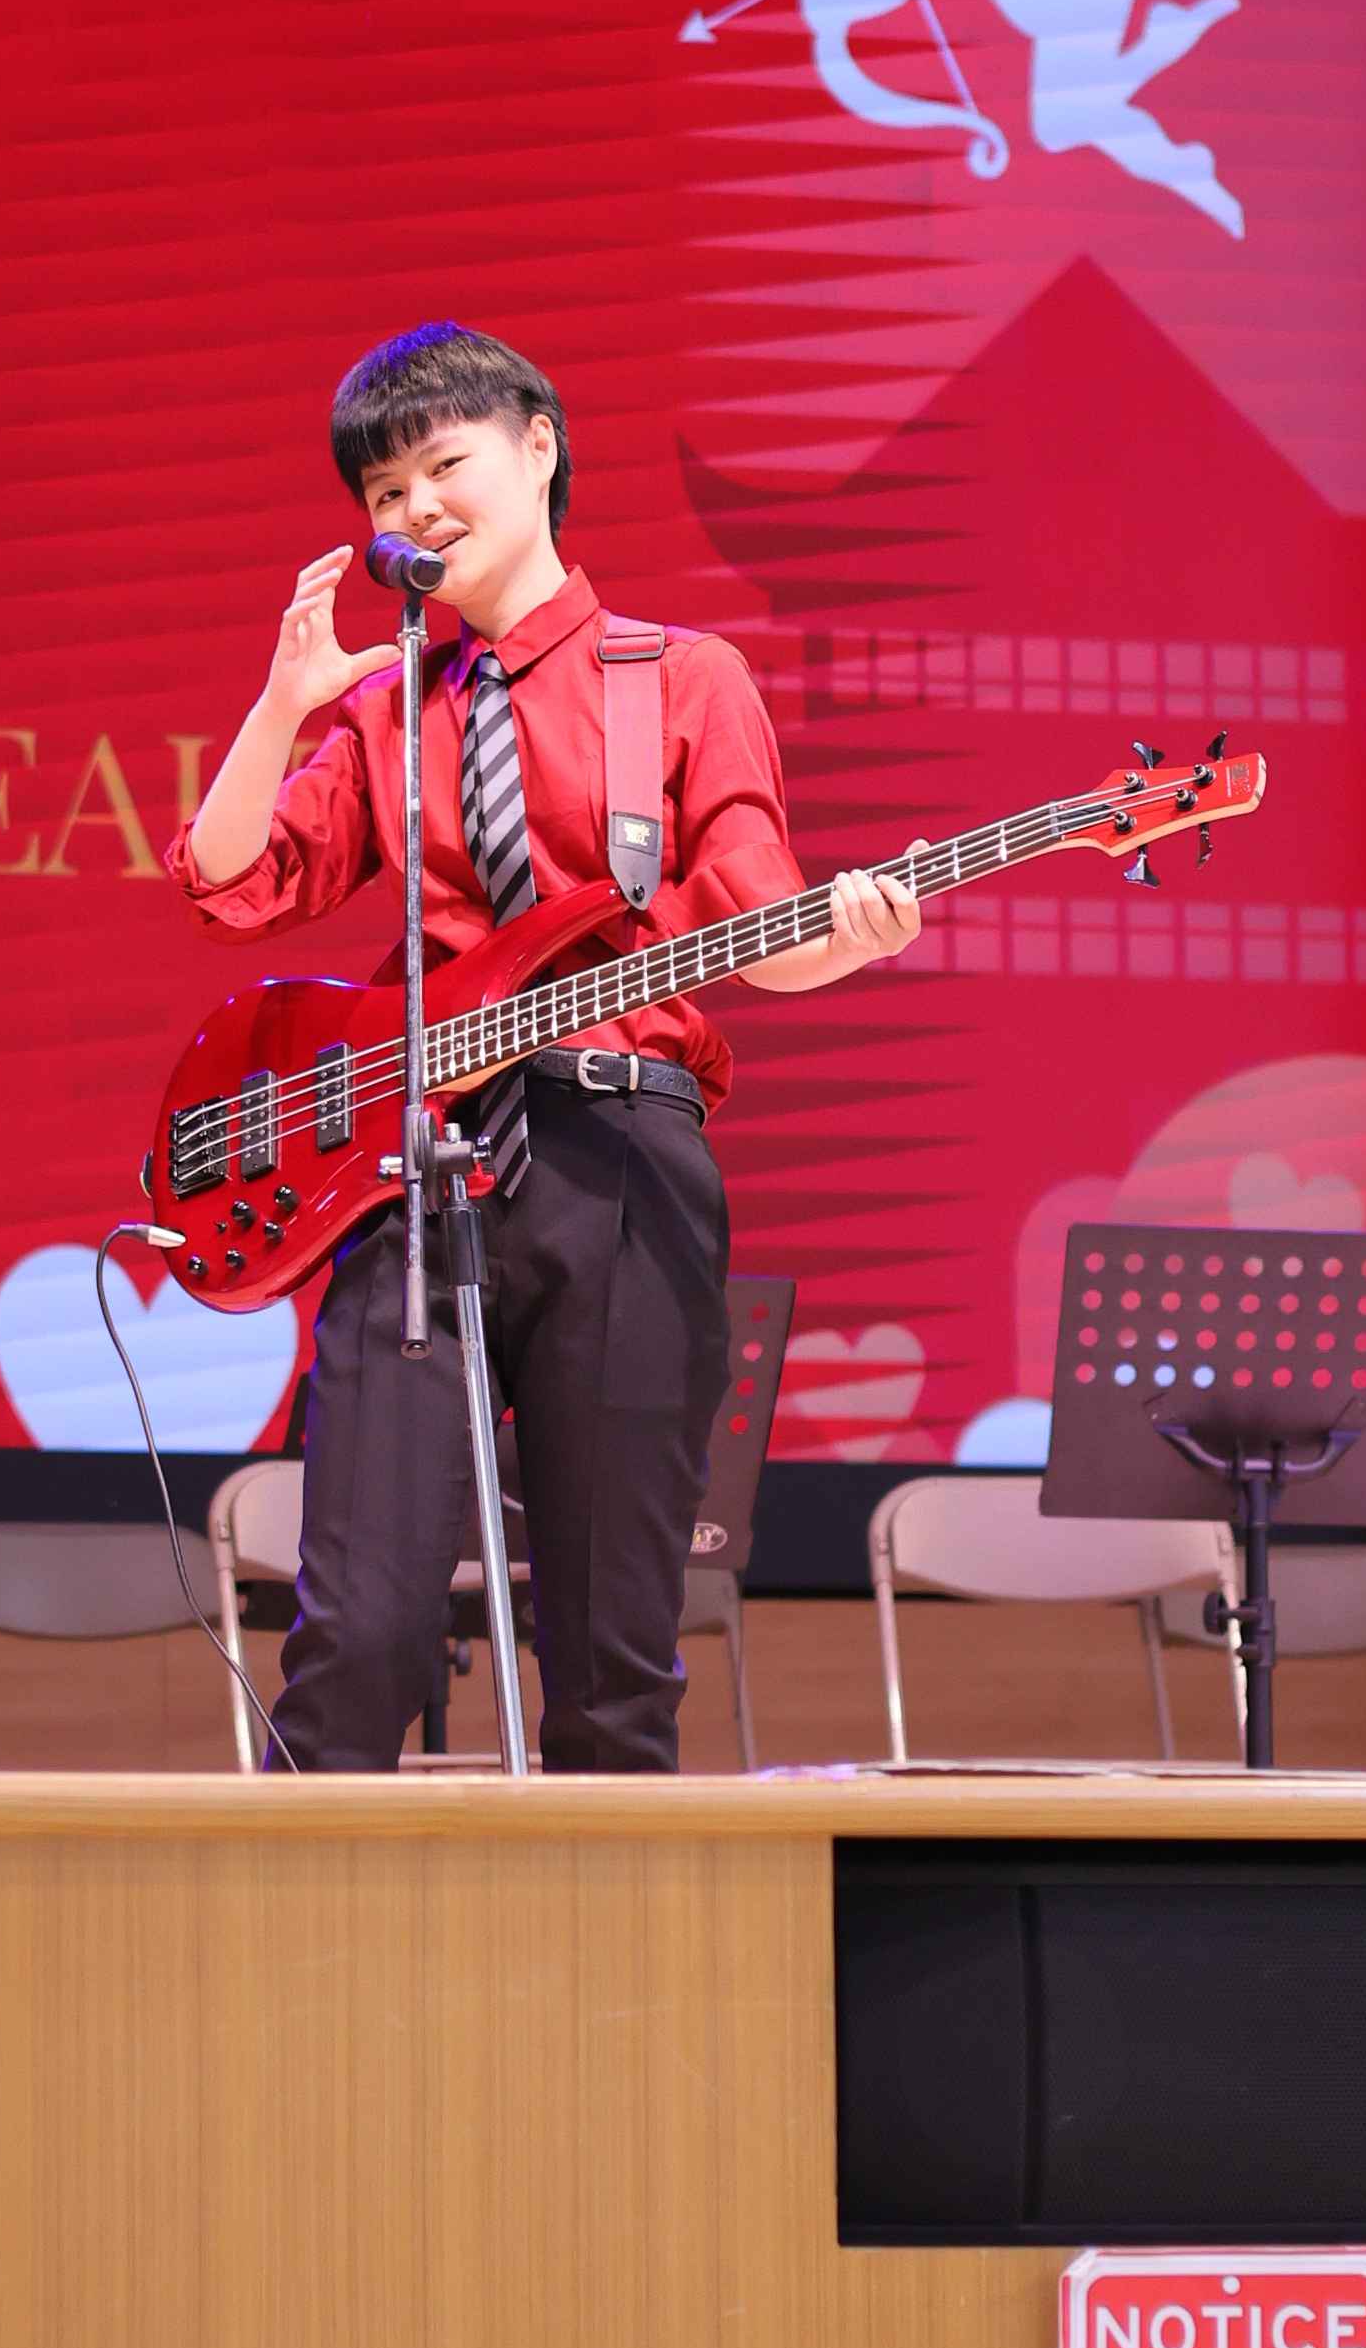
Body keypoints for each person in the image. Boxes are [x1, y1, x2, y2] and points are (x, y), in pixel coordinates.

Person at [165, 321, 922, 1770]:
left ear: (537, 447)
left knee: (612, 1661)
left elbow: (760, 924)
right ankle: (294, 1913)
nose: (415, 510)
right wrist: (283, 705)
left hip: (621, 1162)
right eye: (384, 493)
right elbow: (230, 882)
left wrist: (852, 939)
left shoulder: (682, 678)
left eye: (441, 467)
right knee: (358, 1638)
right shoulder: (388, 713)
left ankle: (604, 1922)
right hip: (415, 1175)